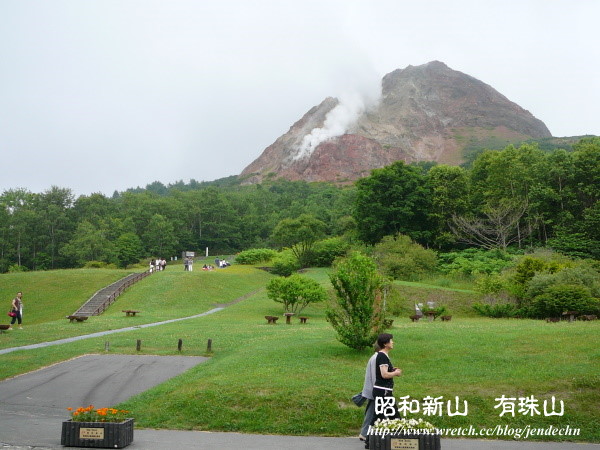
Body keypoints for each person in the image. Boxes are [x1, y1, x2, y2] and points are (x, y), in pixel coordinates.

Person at [372, 333, 402, 424]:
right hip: (383, 391)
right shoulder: (382, 356)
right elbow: (384, 374)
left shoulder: (383, 356)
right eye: (391, 341)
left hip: (383, 391)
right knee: (393, 415)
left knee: (379, 416)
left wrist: (392, 370)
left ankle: (369, 437)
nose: (392, 342)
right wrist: (395, 373)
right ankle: (400, 435)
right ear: (385, 344)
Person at [359, 344, 380, 445]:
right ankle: (365, 433)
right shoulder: (376, 358)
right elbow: (375, 376)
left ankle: (366, 433)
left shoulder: (375, 357)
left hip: (374, 390)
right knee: (373, 412)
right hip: (376, 391)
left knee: (373, 411)